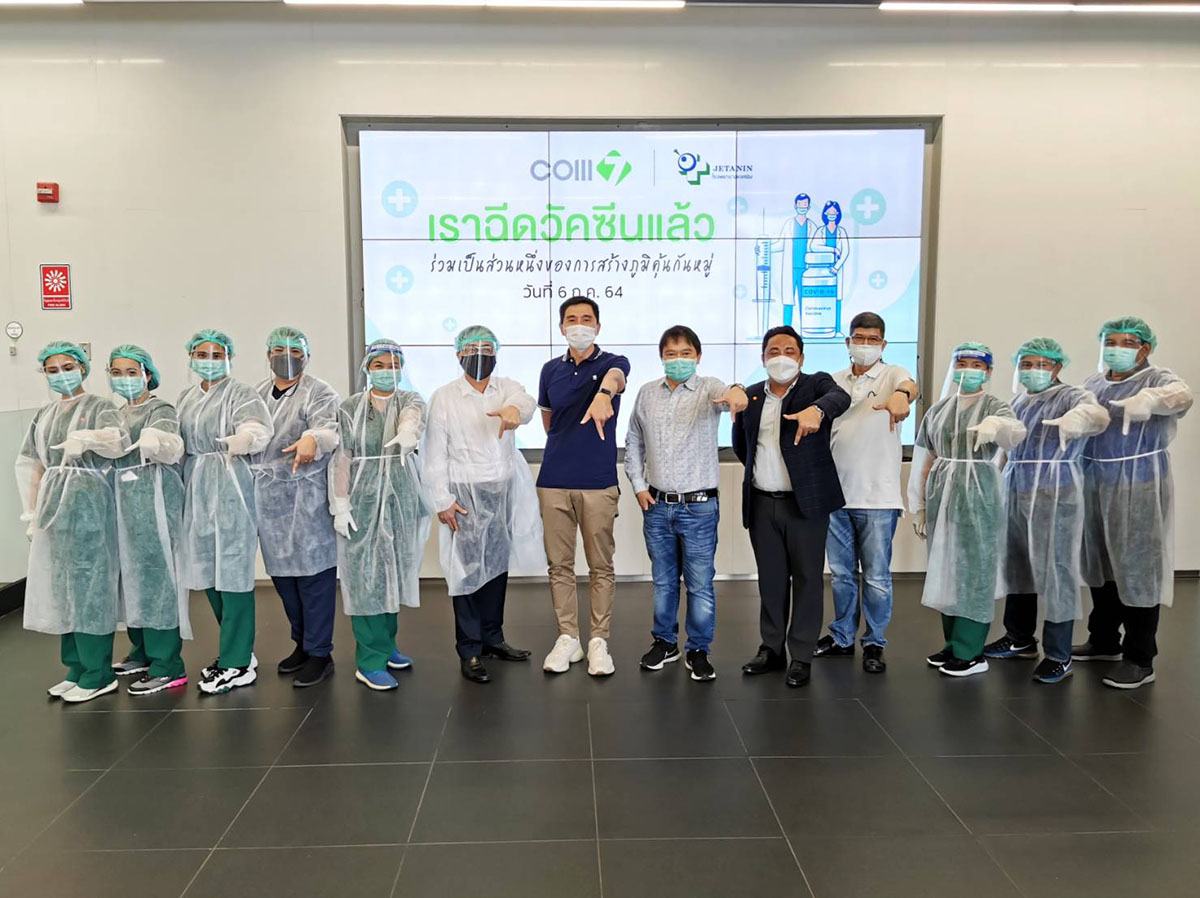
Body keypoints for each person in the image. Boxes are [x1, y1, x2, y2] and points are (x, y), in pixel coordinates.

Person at [1074, 317, 1192, 689]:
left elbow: (1182, 396)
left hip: (1138, 482)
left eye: (1126, 343)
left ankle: (1140, 658)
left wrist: (1150, 400)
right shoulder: (1094, 384)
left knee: (1137, 568)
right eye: (1110, 342)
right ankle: (1104, 640)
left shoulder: (1157, 379)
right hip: (1094, 480)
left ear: (1145, 348)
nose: (1116, 349)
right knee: (1100, 563)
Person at [625, 325, 748, 682]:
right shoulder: (647, 393)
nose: (678, 360)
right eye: (671, 354)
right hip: (657, 505)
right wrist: (638, 486)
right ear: (661, 357)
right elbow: (633, 441)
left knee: (700, 584)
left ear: (698, 356)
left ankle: (698, 649)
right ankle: (665, 643)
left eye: (685, 353)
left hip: (699, 507)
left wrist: (737, 394)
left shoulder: (709, 388)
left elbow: (732, 392)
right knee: (663, 582)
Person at [423, 326, 545, 684]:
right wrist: (442, 500)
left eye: (487, 348)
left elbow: (526, 403)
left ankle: (493, 638)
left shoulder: (505, 387)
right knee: (466, 574)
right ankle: (469, 649)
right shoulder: (444, 397)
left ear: (497, 353)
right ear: (458, 354)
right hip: (463, 495)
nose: (479, 354)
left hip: (501, 492)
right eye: (472, 348)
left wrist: (513, 410)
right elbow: (434, 453)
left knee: (496, 568)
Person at [983, 338, 1109, 685]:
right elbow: (1008, 450)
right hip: (1017, 490)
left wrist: (1079, 419)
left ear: (1057, 366)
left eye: (1042, 364)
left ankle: (1058, 654)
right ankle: (1020, 638)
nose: (1033, 370)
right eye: (1026, 364)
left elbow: (1097, 415)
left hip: (1057, 493)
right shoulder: (1019, 401)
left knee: (1057, 570)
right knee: (1017, 565)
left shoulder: (1070, 396)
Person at [733, 325, 850, 688]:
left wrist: (816, 411)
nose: (780, 357)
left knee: (807, 579)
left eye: (789, 351)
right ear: (763, 357)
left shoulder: (816, 385)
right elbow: (742, 446)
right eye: (773, 351)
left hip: (805, 504)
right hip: (762, 502)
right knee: (770, 580)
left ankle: (801, 654)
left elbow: (840, 397)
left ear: (801, 357)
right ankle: (771, 648)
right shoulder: (752, 395)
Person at [17, 341, 129, 703]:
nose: (61, 375)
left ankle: (98, 673)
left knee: (91, 591)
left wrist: (89, 437)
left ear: (82, 368)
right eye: (52, 370)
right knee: (64, 590)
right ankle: (76, 668)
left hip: (90, 506)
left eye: (67, 367)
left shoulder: (99, 406)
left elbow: (117, 440)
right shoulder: (45, 414)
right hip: (54, 510)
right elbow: (34, 464)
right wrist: (32, 514)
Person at [908, 342, 1026, 678]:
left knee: (975, 571)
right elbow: (924, 456)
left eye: (977, 365)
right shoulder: (939, 410)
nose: (969, 370)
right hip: (942, 496)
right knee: (946, 567)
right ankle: (952, 644)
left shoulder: (995, 406)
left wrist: (997, 426)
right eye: (963, 363)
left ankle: (971, 652)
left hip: (979, 497)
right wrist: (919, 506)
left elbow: (1016, 435)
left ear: (988, 372)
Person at [816, 312, 919, 674]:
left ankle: (874, 642)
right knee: (842, 575)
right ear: (848, 342)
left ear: (883, 344)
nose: (865, 345)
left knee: (876, 576)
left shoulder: (893, 375)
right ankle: (842, 636)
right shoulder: (833, 381)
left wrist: (902, 398)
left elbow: (910, 387)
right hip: (836, 496)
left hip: (878, 498)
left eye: (873, 340)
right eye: (859, 338)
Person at [329, 339, 430, 691]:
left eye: (393, 365)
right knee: (365, 581)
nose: (387, 371)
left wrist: (407, 432)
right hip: (362, 500)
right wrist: (340, 504)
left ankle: (387, 646)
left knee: (393, 574)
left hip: (401, 499)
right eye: (379, 365)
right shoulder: (350, 407)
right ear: (367, 369)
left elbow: (413, 417)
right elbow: (343, 457)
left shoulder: (409, 399)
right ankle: (369, 660)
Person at [537, 297, 630, 677]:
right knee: (559, 565)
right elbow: (549, 424)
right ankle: (568, 638)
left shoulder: (612, 363)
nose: (579, 325)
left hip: (597, 482)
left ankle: (598, 642)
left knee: (600, 566)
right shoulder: (549, 370)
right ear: (562, 328)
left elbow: (617, 378)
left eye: (587, 319)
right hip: (554, 480)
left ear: (598, 326)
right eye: (572, 319)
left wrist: (604, 395)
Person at [178, 329, 274, 695]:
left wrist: (245, 438)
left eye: (217, 355)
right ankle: (239, 650)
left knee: (233, 576)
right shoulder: (186, 398)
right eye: (202, 354)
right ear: (191, 357)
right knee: (208, 573)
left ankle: (237, 662)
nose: (209, 361)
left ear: (229, 358)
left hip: (232, 486)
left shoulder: (241, 393)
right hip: (197, 487)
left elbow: (257, 426)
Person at [251, 326, 342, 688]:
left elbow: (329, 430)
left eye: (294, 351)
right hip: (268, 500)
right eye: (278, 350)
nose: (286, 357)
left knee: (314, 578)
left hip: (307, 499)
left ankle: (320, 654)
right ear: (267, 355)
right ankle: (302, 644)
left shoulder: (319, 392)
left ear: (307, 357)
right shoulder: (256, 394)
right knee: (284, 578)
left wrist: (312, 438)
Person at [107, 344, 192, 696]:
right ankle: (141, 652)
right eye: (117, 372)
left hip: (155, 502)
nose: (125, 379)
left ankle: (167, 664)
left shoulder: (161, 409)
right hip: (124, 504)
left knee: (157, 580)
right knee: (131, 578)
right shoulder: (115, 413)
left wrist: (153, 440)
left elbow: (170, 447)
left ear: (148, 375)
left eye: (132, 372)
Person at [767, 193, 817, 328]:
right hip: (791, 269)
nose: (802, 207)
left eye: (805, 204)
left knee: (805, 301)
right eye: (800, 204)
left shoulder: (812, 226)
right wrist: (765, 248)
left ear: (809, 207)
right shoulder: (789, 224)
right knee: (788, 301)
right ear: (795, 206)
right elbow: (780, 244)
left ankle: (805, 328)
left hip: (806, 270)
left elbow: (815, 246)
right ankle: (786, 329)